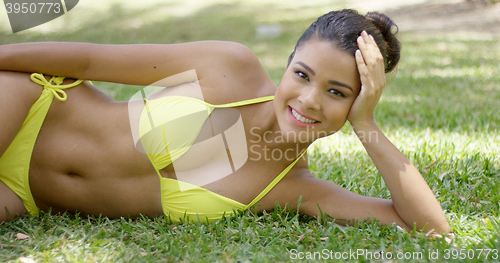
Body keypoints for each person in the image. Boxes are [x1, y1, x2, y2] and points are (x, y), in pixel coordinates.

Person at [0, 9, 450, 234]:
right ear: (288, 63)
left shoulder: (290, 189)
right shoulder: (227, 67)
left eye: (338, 93)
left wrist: (367, 123)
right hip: (30, 110)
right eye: (302, 75)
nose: (310, 100)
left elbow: (429, 229)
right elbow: (88, 58)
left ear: (357, 103)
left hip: (24, 197)